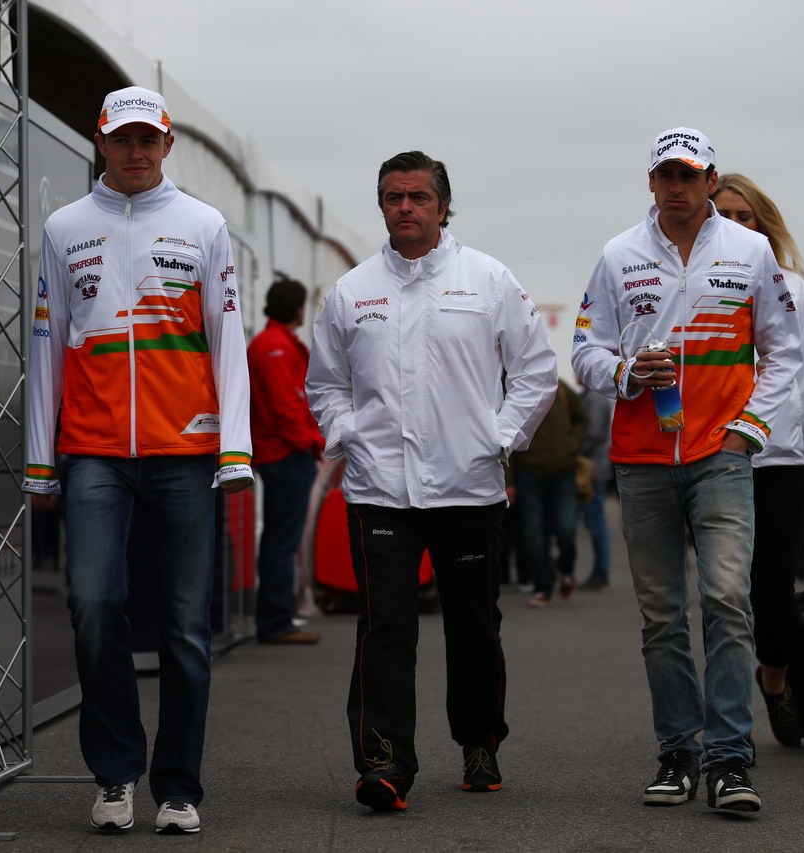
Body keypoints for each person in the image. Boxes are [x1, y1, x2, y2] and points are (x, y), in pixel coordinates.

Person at [24, 86, 252, 834]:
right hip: (93, 451)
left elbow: (227, 338)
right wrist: (39, 459)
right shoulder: (63, 228)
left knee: (187, 623)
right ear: (100, 141)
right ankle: (115, 772)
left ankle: (179, 785)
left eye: (147, 139)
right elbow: (46, 346)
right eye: (121, 138)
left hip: (186, 448)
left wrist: (235, 448)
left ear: (167, 144)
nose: (134, 151)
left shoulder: (204, 224)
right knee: (93, 604)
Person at [306, 151, 557, 812]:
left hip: (468, 488)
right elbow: (324, 384)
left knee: (473, 626)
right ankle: (384, 761)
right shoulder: (353, 290)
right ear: (382, 206)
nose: (406, 208)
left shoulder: (488, 279)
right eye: (394, 197)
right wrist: (349, 431)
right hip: (379, 490)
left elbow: (537, 371)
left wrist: (498, 439)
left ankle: (479, 742)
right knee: (384, 626)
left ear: (444, 206)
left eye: (419, 197)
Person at [571, 127, 802, 813]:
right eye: (664, 174)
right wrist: (624, 371)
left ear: (710, 179)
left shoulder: (751, 250)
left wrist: (748, 430)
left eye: (689, 174)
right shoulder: (618, 255)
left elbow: (785, 351)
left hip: (720, 457)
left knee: (729, 602)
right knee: (664, 616)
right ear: (651, 182)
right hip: (642, 460)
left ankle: (730, 759)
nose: (676, 185)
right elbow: (584, 351)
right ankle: (678, 751)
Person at [712, 174, 804, 750]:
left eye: (746, 216)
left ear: (763, 223)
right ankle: (730, 719)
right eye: (726, 215)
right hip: (709, 456)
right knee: (723, 593)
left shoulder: (790, 287)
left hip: (778, 457)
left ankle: (775, 680)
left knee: (773, 589)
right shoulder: (694, 280)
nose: (737, 226)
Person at [248, 275, 325, 645]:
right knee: (283, 539)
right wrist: (309, 441)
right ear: (297, 308)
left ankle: (276, 616)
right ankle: (276, 621)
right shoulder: (275, 346)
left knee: (280, 538)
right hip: (286, 453)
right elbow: (287, 404)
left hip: (278, 452)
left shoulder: (269, 343)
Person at [511, 378, 588, 607]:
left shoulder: (562, 389)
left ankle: (566, 571)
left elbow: (582, 419)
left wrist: (571, 445)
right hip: (528, 473)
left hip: (562, 471)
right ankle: (542, 586)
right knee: (534, 534)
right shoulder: (516, 390)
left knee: (566, 529)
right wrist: (508, 481)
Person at [577, 382, 614, 591]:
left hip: (593, 468)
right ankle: (599, 571)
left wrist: (573, 449)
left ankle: (601, 572)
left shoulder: (596, 398)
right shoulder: (594, 397)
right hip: (595, 466)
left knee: (596, 521)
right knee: (593, 521)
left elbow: (594, 434)